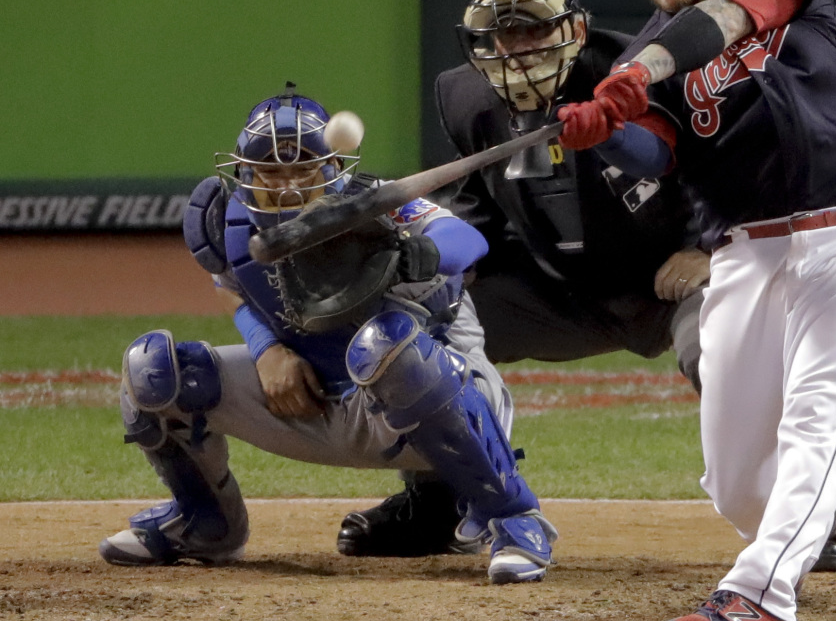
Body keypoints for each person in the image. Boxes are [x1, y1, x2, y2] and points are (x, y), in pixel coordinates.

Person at [558, 0, 836, 621]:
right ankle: (803, 513)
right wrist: (602, 133)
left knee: (815, 419)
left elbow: (734, 16)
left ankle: (759, 592)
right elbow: (656, 151)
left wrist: (634, 76)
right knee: (732, 480)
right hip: (747, 254)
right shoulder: (651, 51)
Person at [98, 83, 557, 585]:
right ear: (245, 172)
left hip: (437, 402)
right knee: (153, 369)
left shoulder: (376, 210)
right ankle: (205, 525)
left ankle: (513, 519)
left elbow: (466, 238)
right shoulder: (228, 222)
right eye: (272, 170)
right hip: (312, 400)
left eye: (303, 169)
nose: (288, 184)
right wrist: (267, 350)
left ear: (334, 170)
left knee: (387, 343)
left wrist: (418, 253)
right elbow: (230, 287)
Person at [336, 0, 710, 558]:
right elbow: (477, 205)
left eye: (534, 28)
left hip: (673, 277)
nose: (519, 48)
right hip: (558, 292)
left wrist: (709, 247)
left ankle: (812, 511)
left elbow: (723, 166)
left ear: (576, 31)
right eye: (505, 33)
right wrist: (434, 270)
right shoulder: (463, 96)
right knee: (424, 325)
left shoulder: (640, 72)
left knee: (731, 345)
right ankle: (438, 500)